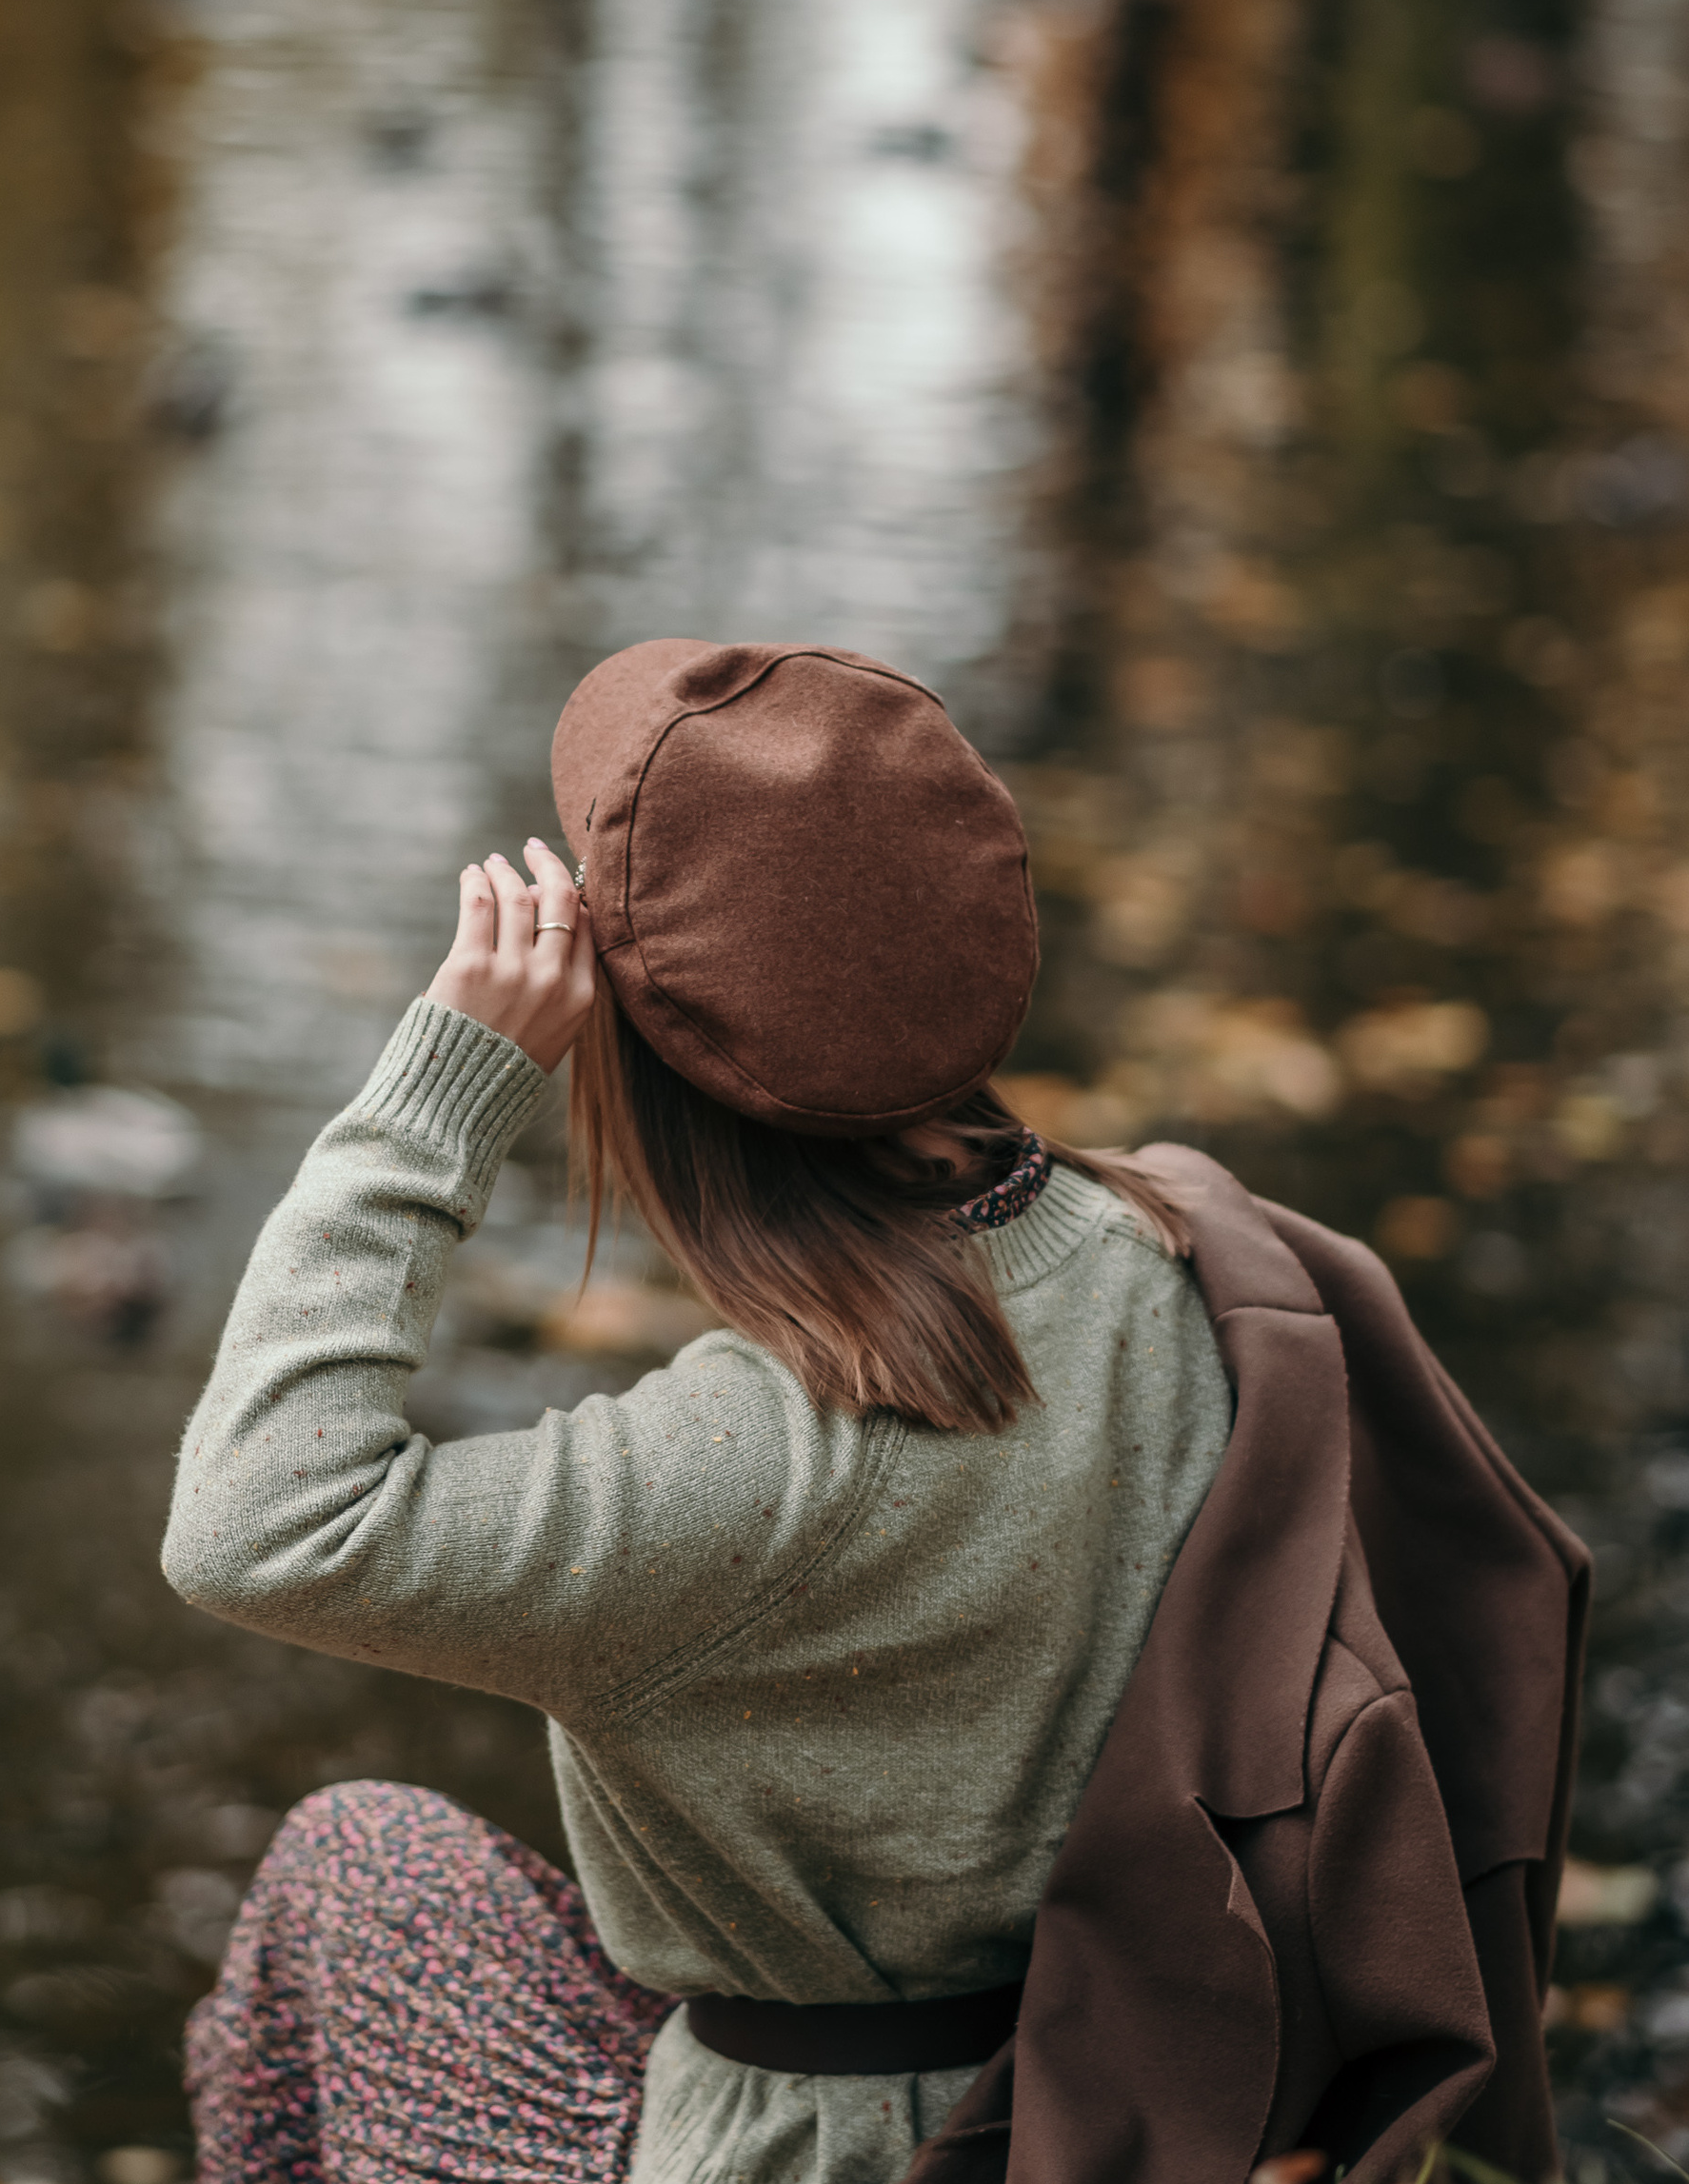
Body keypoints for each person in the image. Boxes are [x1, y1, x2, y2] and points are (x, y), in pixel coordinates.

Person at [162, 641, 1581, 2184]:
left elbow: (259, 1524)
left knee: (357, 1860)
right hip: (1152, 2089)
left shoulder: (754, 1465)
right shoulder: (1185, 1254)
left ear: (631, 1039)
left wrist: (445, 1088)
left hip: (841, 2151)